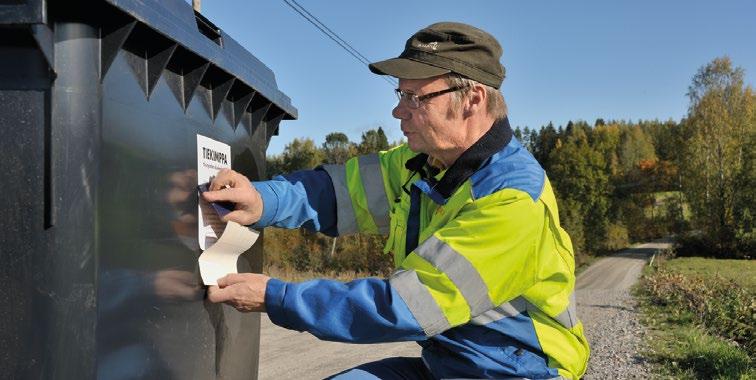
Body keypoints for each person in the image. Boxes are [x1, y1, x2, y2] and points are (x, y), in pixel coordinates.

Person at [203, 22, 590, 379]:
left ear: (472, 99)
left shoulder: (511, 201)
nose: (397, 111)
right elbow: (335, 193)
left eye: (415, 98)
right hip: (451, 363)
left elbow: (405, 306)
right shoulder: (422, 163)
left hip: (518, 372)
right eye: (399, 94)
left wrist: (276, 296)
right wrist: (262, 199)